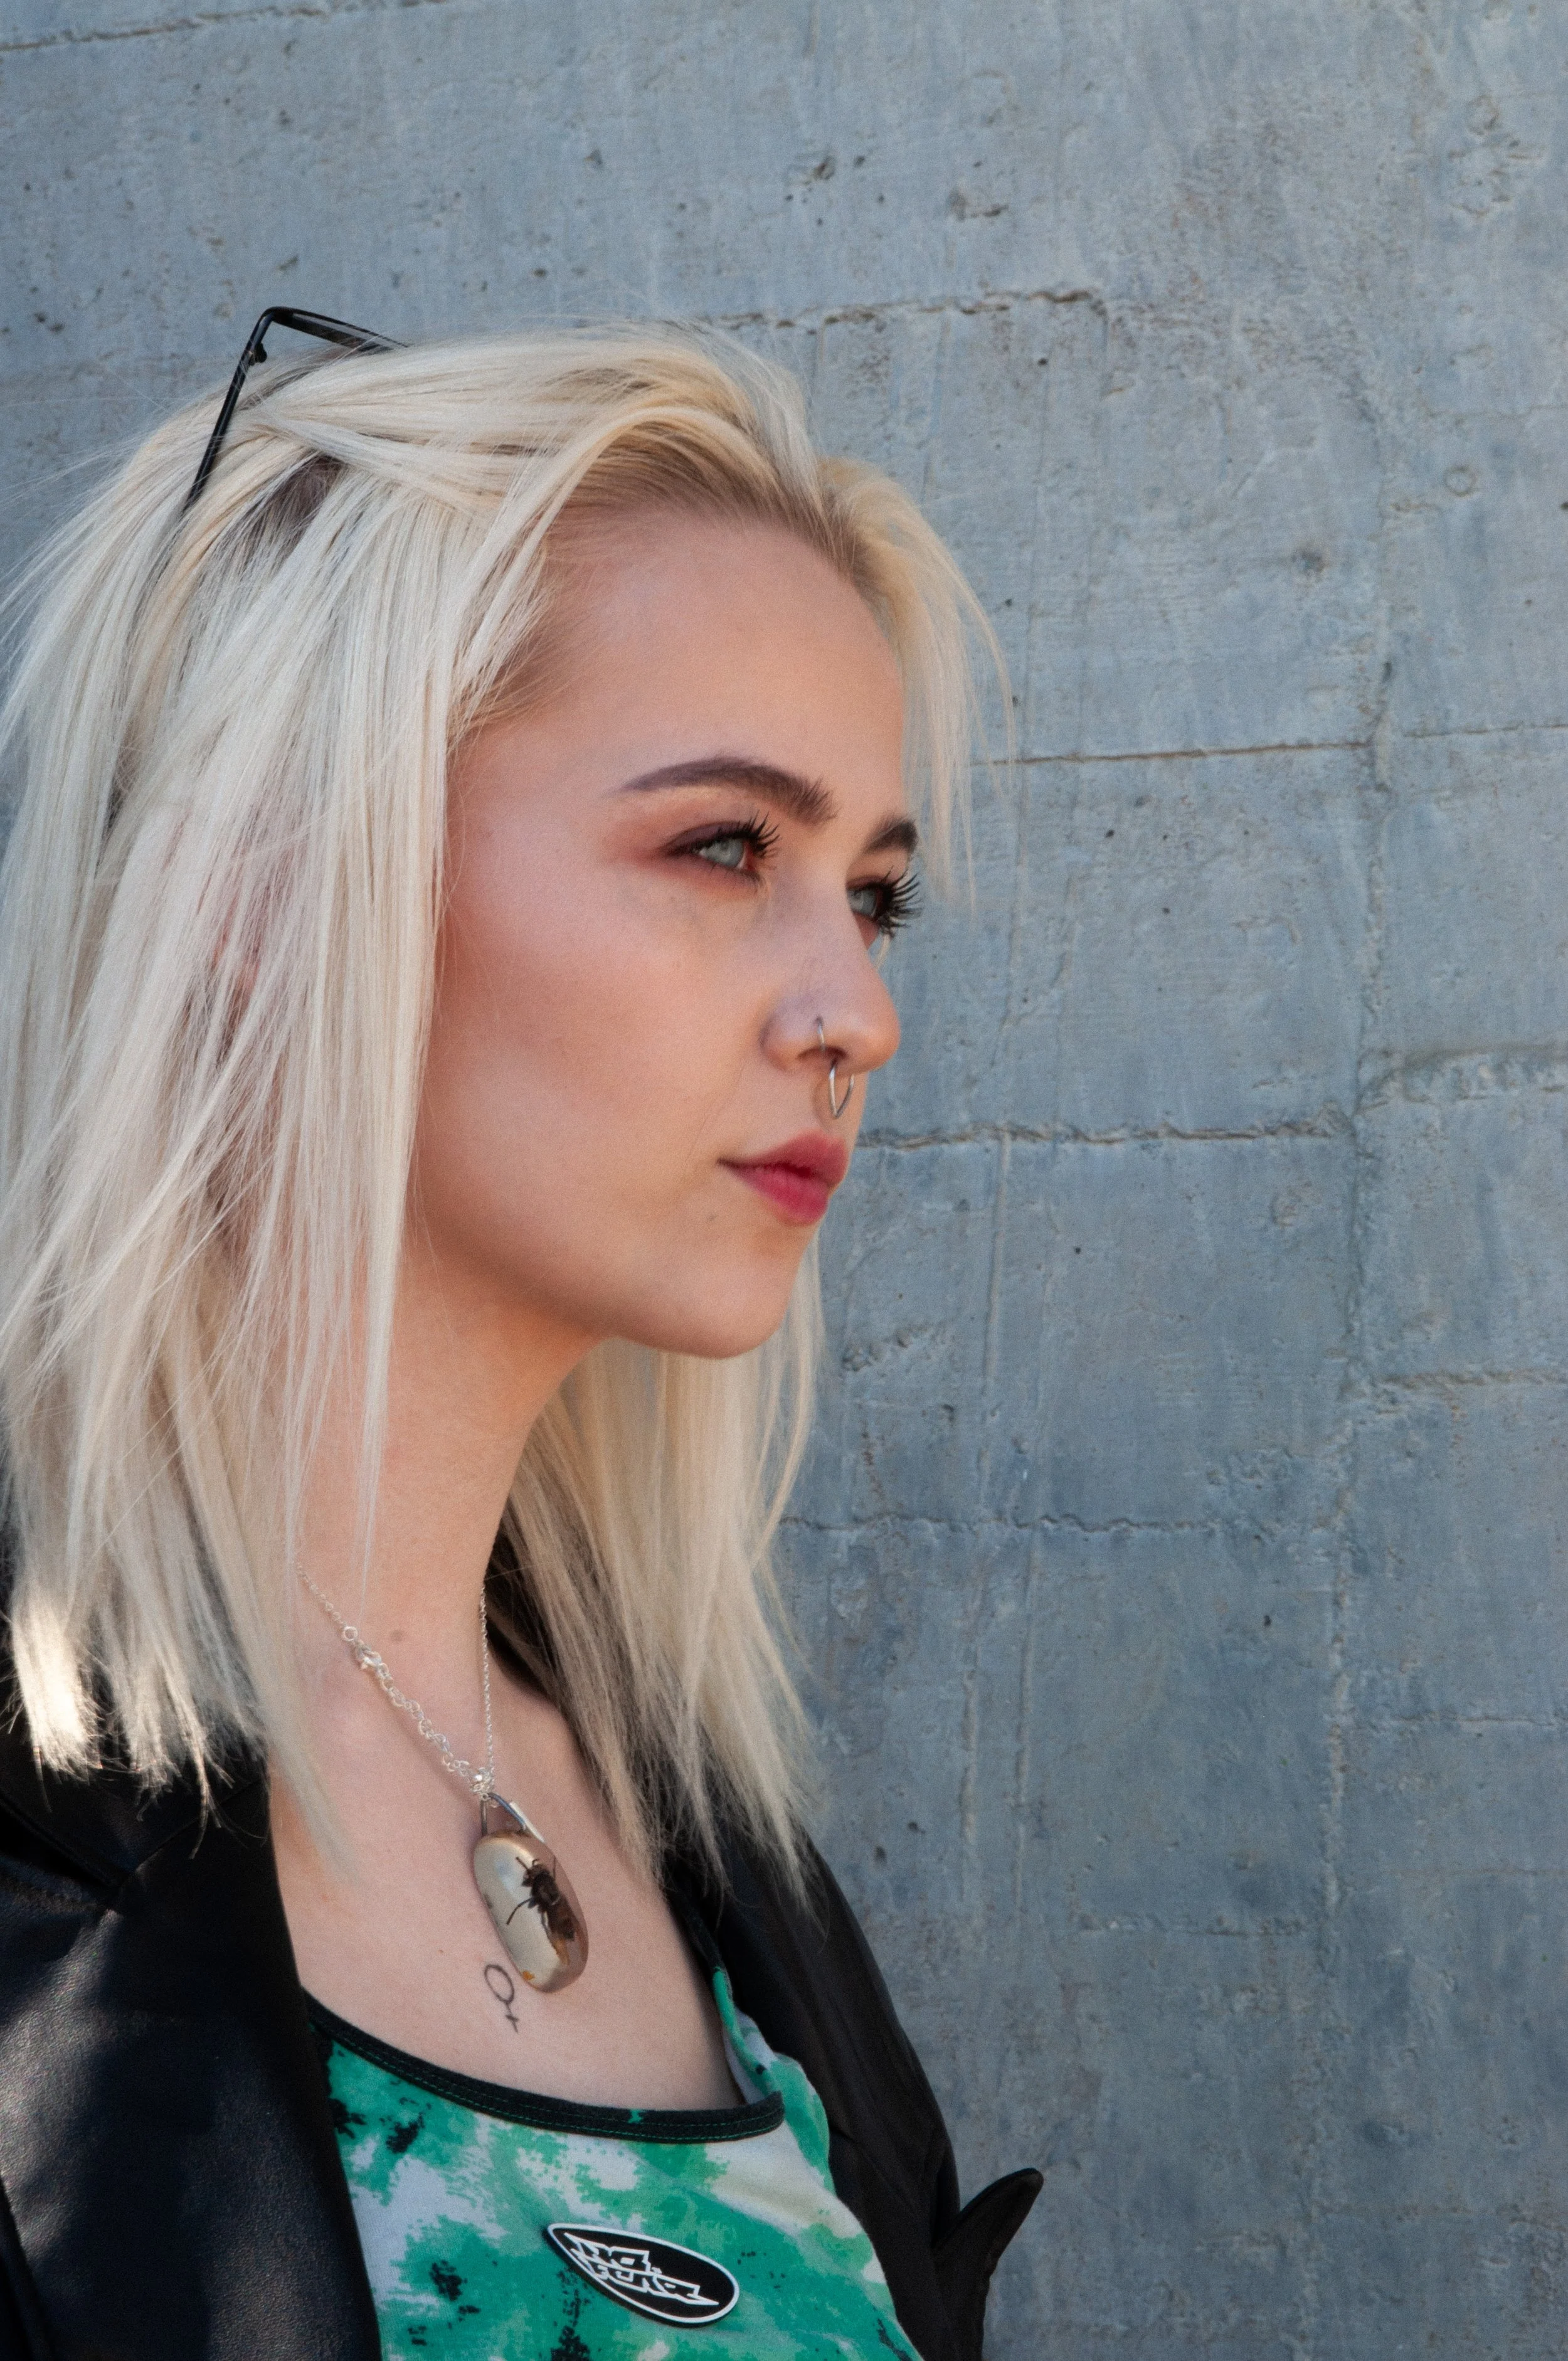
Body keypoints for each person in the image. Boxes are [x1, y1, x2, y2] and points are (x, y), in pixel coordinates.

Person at [0, 313, 1039, 2361]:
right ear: (273, 867)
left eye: (875, 892)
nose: (855, 1008)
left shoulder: (719, 1857)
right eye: (724, 845)